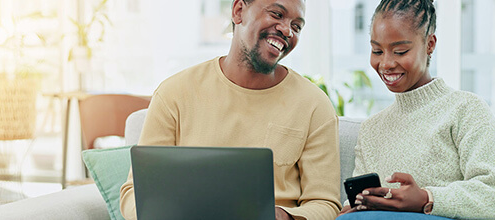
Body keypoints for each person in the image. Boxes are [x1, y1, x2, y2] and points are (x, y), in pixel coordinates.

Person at [119, 0, 342, 219]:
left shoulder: (314, 105)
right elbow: (134, 194)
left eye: (296, 26)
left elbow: (325, 203)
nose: (287, 30)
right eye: (276, 14)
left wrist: (284, 216)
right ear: (238, 11)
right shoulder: (174, 94)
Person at [337, 0, 495, 219]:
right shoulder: (371, 129)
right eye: (377, 51)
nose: (386, 63)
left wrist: (427, 199)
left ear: (430, 44)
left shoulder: (466, 109)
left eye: (400, 51)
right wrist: (357, 205)